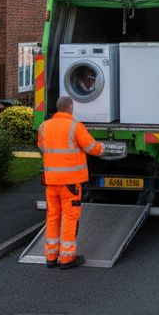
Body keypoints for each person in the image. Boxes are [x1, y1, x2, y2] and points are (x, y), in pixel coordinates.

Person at [38, 95, 105, 268]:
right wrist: (103, 148)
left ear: (57, 109)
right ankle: (67, 258)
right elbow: (91, 147)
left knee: (52, 216)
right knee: (70, 217)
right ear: (70, 109)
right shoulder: (75, 126)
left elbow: (43, 146)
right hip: (70, 184)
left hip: (51, 181)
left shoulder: (44, 126)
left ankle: (51, 257)